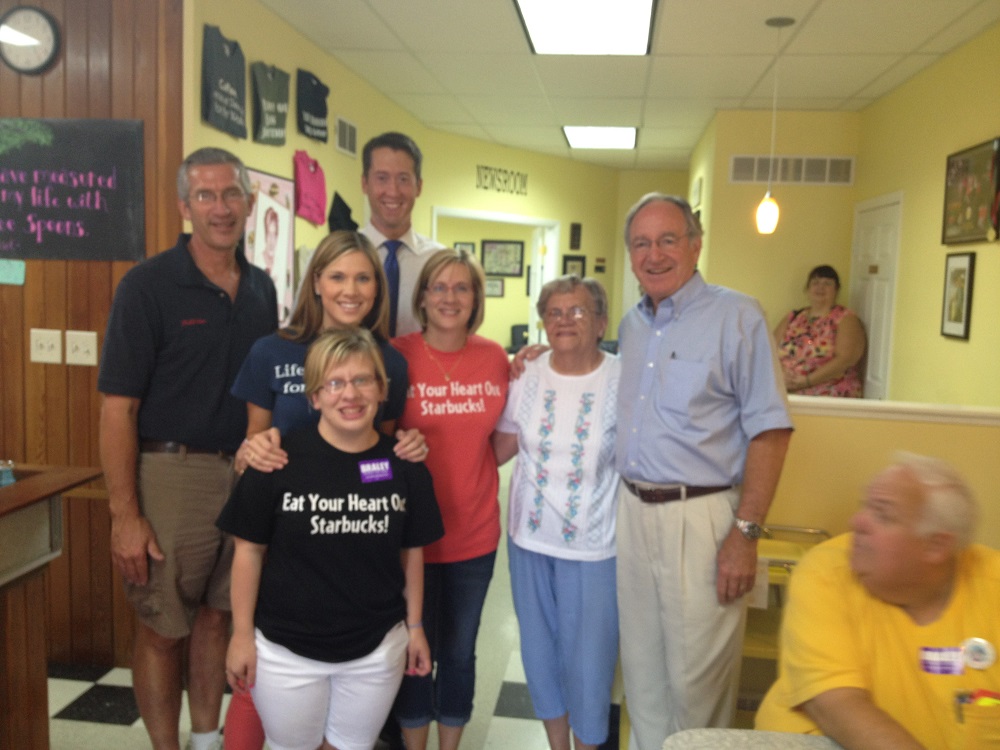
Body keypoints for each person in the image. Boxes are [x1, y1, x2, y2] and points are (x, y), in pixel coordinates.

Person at [97, 147, 278, 750]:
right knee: (161, 628)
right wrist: (125, 513)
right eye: (205, 195)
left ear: (250, 203)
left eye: (231, 194)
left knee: (218, 618)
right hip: (172, 475)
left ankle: (206, 739)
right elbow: (117, 408)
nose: (220, 208)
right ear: (183, 206)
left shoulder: (261, 289)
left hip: (246, 474)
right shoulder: (147, 286)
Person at [222, 230, 427, 750]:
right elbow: (254, 440)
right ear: (316, 282)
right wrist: (253, 451)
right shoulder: (271, 351)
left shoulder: (391, 362)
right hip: (283, 533)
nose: (350, 289)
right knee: (266, 687)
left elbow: (380, 454)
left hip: (354, 546)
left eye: (363, 278)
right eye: (337, 276)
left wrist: (408, 450)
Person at [616, 194, 793, 749]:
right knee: (641, 678)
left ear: (696, 244)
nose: (655, 254)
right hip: (631, 512)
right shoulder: (631, 324)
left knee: (697, 689)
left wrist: (745, 535)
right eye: (641, 243)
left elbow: (771, 429)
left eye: (669, 239)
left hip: (702, 517)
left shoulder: (737, 315)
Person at [756, 453, 1000, 749]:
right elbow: (837, 705)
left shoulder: (990, 587)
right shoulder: (828, 571)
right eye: (865, 506)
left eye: (883, 514)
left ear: (937, 545)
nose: (857, 521)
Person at [492, 275, 621, 750]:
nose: (565, 321)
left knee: (590, 663)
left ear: (602, 322)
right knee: (539, 654)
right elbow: (500, 447)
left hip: (594, 548)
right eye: (555, 312)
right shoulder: (526, 374)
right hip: (528, 540)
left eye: (579, 311)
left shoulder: (622, 378)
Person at [391, 248, 510, 750]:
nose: (449, 297)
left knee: (460, 651)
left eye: (462, 288)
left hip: (473, 534)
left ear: (476, 300)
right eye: (438, 287)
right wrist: (397, 454)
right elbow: (368, 446)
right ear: (421, 297)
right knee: (413, 649)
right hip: (409, 537)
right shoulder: (395, 354)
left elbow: (503, 440)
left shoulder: (494, 358)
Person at [360, 131, 445, 337]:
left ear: (419, 187)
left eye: (404, 179)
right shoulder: (336, 258)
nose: (393, 191)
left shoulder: (440, 263)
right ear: (364, 184)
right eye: (382, 178)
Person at [773, 265, 866, 397]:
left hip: (828, 392)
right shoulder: (793, 317)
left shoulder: (845, 318)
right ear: (807, 288)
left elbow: (845, 359)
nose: (820, 287)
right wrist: (783, 375)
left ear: (836, 290)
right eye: (815, 282)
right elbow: (770, 350)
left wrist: (806, 381)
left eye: (827, 283)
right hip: (786, 388)